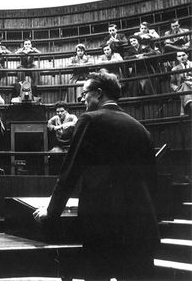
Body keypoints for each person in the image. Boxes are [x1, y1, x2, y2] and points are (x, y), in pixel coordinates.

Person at [33, 70, 159, 280]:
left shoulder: (90, 120)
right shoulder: (140, 128)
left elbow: (70, 172)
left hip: (103, 226)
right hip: (141, 227)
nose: (82, 99)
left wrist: (51, 213)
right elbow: (152, 181)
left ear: (99, 93)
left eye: (85, 93)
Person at [170, 51, 192, 115]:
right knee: (184, 85)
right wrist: (177, 89)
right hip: (183, 89)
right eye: (179, 56)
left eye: (183, 55)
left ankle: (183, 112)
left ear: (187, 55)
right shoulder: (175, 69)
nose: (182, 58)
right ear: (177, 58)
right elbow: (172, 83)